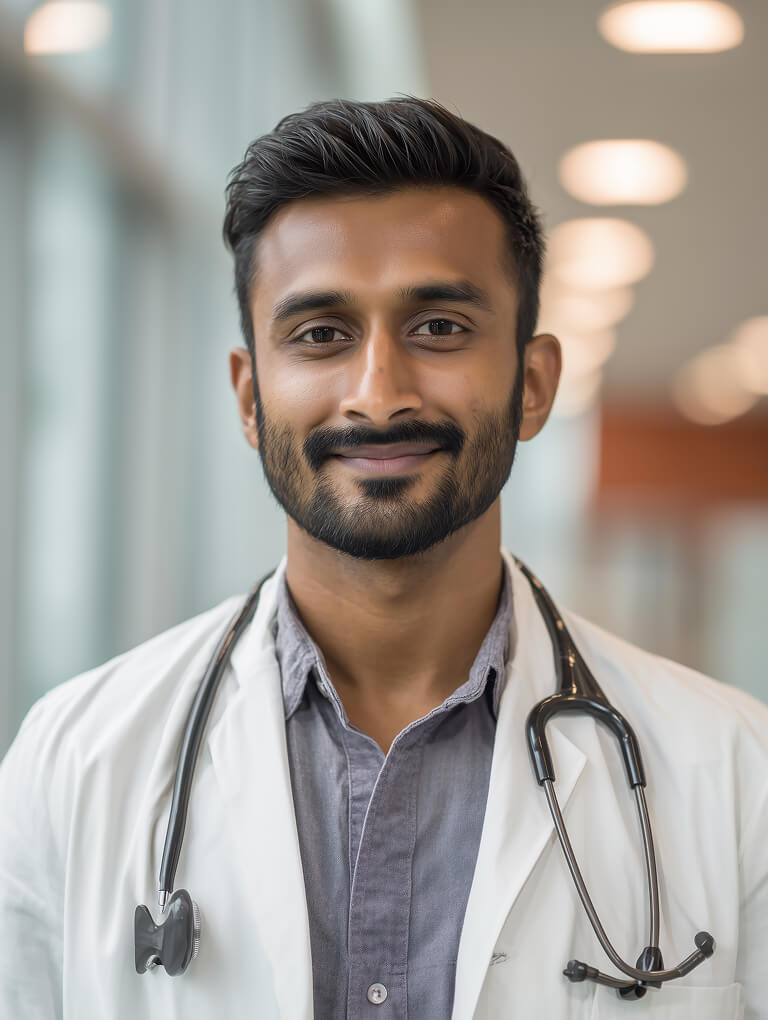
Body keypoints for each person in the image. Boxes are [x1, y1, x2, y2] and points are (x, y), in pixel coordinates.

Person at [1, 95, 766, 1020]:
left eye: (438, 327)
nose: (379, 394)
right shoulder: (75, 760)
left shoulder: (735, 771)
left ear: (532, 384)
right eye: (321, 334)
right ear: (249, 397)